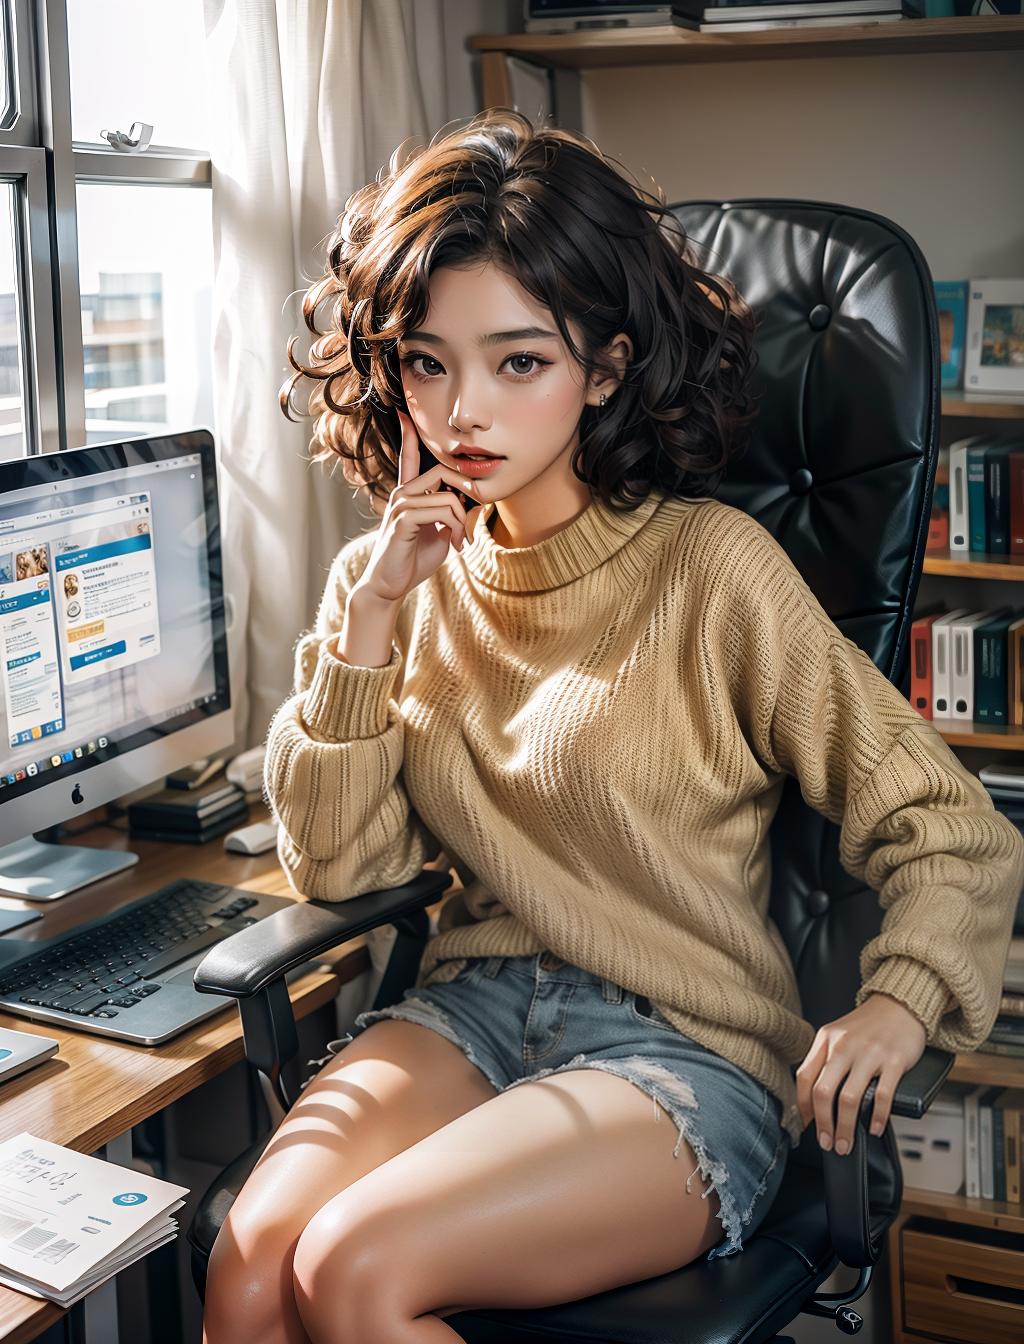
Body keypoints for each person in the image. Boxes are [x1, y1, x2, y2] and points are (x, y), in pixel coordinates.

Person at [202, 109, 1024, 1344]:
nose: (461, 410)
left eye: (517, 361)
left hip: (681, 1051)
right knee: (253, 1261)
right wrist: (370, 619)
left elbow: (949, 828)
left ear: (605, 366)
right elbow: (345, 872)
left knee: (356, 1273)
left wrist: (898, 1000)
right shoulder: (397, 581)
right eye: (427, 362)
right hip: (471, 1011)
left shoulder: (713, 569)